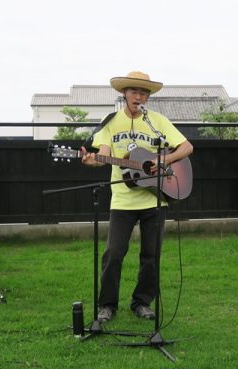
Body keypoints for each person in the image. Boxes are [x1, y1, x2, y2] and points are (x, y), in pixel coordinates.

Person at [81, 71, 193, 322]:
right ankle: (107, 305)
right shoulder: (110, 122)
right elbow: (105, 153)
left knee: (151, 256)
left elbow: (187, 147)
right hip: (122, 201)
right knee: (114, 253)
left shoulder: (158, 121)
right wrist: (92, 161)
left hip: (155, 198)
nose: (139, 96)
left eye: (144, 92)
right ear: (124, 94)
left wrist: (161, 160)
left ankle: (142, 303)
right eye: (134, 91)